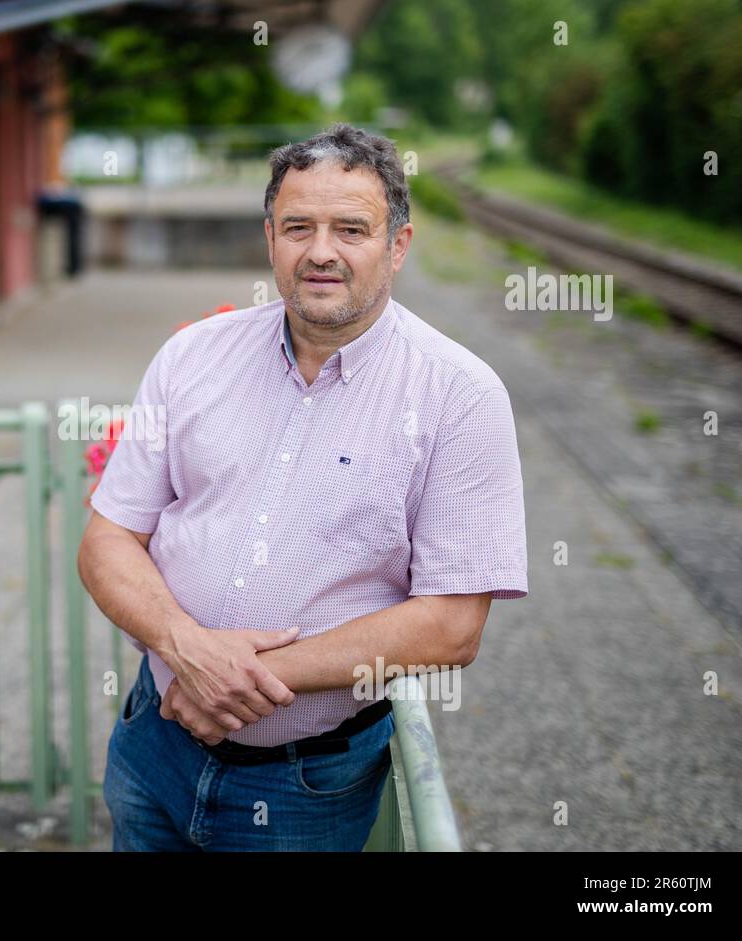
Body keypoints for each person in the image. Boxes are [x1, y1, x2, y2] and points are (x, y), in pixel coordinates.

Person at [78, 122, 529, 852]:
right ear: (270, 239)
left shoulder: (461, 395)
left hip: (304, 789)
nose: (321, 250)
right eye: (298, 227)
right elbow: (109, 537)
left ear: (399, 245)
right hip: (152, 748)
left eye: (351, 228)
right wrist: (184, 645)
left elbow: (452, 624)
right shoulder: (193, 355)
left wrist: (227, 680)